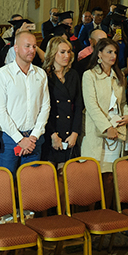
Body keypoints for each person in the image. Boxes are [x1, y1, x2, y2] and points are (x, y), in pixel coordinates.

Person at [82, 38, 128, 201]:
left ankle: (108, 212)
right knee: (92, 176)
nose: (113, 55)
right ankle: (91, 214)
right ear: (99, 54)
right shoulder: (89, 75)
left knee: (110, 177)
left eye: (115, 52)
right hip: (99, 131)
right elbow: (91, 105)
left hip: (116, 129)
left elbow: (123, 103)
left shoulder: (119, 76)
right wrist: (106, 127)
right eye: (109, 52)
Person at [0, 30, 50, 173]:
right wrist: (20, 139)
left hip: (34, 138)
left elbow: (45, 107)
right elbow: (0, 111)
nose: (32, 50)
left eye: (34, 46)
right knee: (7, 183)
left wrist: (34, 136)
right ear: (16, 48)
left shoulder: (41, 74)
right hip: (9, 138)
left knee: (30, 184)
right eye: (27, 46)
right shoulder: (2, 75)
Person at [41, 36, 82, 166]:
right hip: (51, 132)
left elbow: (78, 105)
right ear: (53, 53)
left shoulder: (73, 74)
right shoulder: (44, 75)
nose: (67, 56)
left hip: (70, 133)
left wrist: (75, 133)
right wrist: (53, 135)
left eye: (69, 52)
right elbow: (42, 109)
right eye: (62, 52)